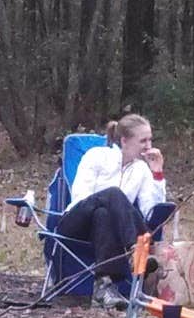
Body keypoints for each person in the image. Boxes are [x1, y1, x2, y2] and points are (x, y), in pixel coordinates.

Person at [49, 112, 175, 297]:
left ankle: (105, 286)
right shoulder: (97, 156)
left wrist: (157, 174)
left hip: (106, 229)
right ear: (124, 141)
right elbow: (80, 196)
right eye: (143, 141)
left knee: (104, 215)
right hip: (76, 222)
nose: (149, 146)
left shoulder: (141, 169)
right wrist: (112, 203)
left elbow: (151, 210)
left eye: (150, 140)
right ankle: (138, 249)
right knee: (112, 195)